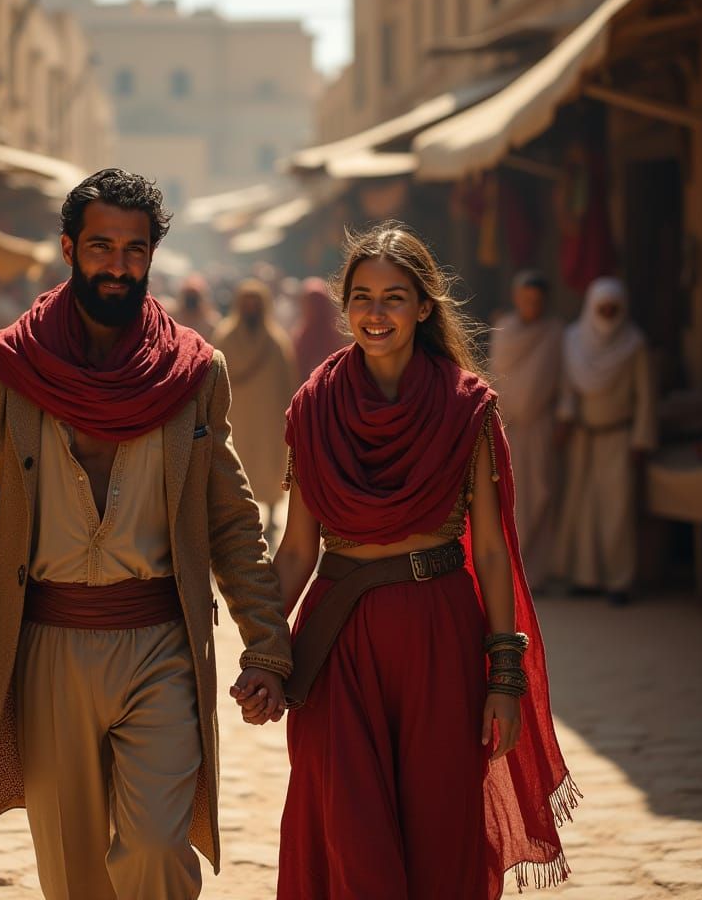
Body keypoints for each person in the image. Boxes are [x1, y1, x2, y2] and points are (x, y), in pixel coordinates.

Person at [0, 169, 292, 900]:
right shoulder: (4, 370)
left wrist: (268, 642)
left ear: (152, 256)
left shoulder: (192, 372)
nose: (117, 266)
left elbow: (230, 519)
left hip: (159, 643)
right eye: (101, 247)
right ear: (68, 248)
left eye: (134, 250)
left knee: (157, 847)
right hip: (48, 645)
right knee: (75, 874)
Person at [240, 223, 577, 899]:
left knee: (439, 833)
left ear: (424, 307)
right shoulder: (313, 406)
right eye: (361, 296)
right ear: (344, 307)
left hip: (439, 636)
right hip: (338, 645)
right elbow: (300, 550)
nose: (375, 312)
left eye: (394, 297)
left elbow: (488, 549)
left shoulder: (467, 406)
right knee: (349, 835)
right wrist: (263, 651)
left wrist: (504, 678)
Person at [554, 277, 656, 605]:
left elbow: (645, 397)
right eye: (603, 308)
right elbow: (568, 388)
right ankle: (586, 578)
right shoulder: (573, 339)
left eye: (614, 308)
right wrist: (565, 420)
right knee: (583, 507)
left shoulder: (634, 343)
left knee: (617, 509)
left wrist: (642, 439)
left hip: (619, 436)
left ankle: (619, 581)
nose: (608, 314)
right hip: (584, 435)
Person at [488, 271, 564, 590]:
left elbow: (564, 378)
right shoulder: (503, 330)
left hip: (541, 427)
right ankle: (508, 572)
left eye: (537, 300)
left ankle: (538, 573)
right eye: (526, 298)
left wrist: (564, 417)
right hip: (508, 428)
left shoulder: (556, 332)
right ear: (517, 298)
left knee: (542, 494)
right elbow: (493, 374)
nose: (531, 305)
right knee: (509, 498)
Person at [213, 280, 297, 528]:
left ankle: (271, 512)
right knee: (236, 464)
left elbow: (288, 380)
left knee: (269, 463)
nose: (251, 308)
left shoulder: (276, 341)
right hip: (235, 417)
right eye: (246, 303)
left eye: (256, 303)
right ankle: (236, 514)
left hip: (268, 419)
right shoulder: (224, 337)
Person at [292, 277, 350, 383]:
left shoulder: (337, 334)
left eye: (314, 303)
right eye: (308, 303)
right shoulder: (302, 335)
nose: (309, 308)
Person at [171, 274, 220, 342]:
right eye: (188, 295)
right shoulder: (172, 318)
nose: (191, 300)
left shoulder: (210, 323)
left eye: (194, 296)